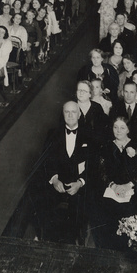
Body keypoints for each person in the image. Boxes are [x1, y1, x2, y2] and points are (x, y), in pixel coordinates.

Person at [29, 101, 94, 244]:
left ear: (79, 114)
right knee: (39, 198)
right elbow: (46, 160)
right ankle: (43, 236)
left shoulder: (88, 133)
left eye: (73, 112)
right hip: (58, 182)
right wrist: (54, 179)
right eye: (67, 112)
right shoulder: (53, 133)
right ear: (63, 114)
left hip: (79, 184)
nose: (70, 115)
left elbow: (93, 163)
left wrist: (80, 182)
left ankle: (77, 238)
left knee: (80, 207)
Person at [88, 117, 137, 250]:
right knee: (104, 211)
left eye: (122, 128)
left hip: (132, 189)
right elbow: (101, 173)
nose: (118, 131)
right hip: (111, 189)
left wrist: (128, 186)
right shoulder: (105, 147)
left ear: (128, 129)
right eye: (116, 127)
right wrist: (114, 186)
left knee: (131, 210)